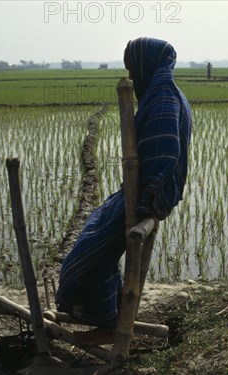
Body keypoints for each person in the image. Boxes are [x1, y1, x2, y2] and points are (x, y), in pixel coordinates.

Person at [55, 37, 192, 345]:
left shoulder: (162, 98)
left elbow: (167, 152)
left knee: (88, 256)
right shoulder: (166, 93)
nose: (131, 76)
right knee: (95, 234)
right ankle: (112, 314)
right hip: (143, 192)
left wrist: (146, 201)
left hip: (147, 195)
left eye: (133, 68)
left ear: (146, 65)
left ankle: (107, 323)